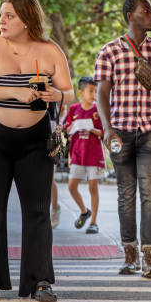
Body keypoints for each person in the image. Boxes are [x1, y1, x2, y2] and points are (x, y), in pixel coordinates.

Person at [0, 0, 74, 301]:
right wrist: (16, 94)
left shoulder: (50, 50)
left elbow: (69, 92)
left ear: (27, 19)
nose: (2, 21)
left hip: (35, 139)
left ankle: (40, 280)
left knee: (38, 210)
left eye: (9, 16)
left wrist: (57, 95)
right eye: (1, 15)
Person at [94, 0, 151, 279]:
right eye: (145, 11)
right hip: (120, 131)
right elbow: (102, 93)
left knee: (150, 193)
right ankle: (129, 256)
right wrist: (107, 128)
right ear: (130, 16)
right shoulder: (109, 51)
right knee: (126, 195)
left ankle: (150, 260)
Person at [65, 76, 105, 235]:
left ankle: (94, 222)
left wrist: (92, 130)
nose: (93, 94)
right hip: (77, 154)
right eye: (90, 91)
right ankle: (84, 211)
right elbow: (67, 129)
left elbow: (104, 132)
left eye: (95, 91)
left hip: (94, 155)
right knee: (72, 186)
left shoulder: (98, 110)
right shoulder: (74, 109)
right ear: (81, 92)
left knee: (93, 187)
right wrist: (74, 126)